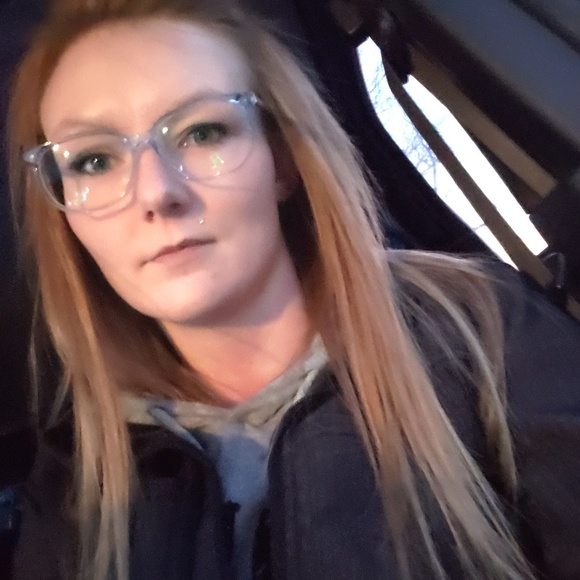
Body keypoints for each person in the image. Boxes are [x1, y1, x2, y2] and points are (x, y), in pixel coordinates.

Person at [6, 0, 580, 579]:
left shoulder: (480, 332)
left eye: (202, 132)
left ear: (280, 162)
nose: (156, 193)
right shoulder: (73, 482)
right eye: (94, 161)